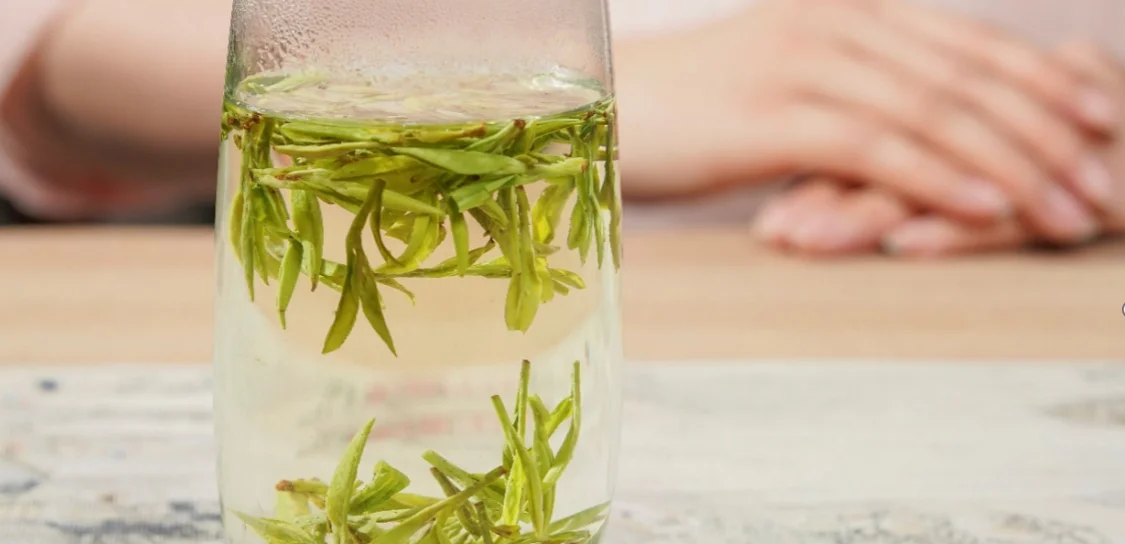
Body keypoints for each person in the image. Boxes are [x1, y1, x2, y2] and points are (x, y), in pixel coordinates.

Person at [1, 0, 1122, 257]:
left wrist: (1054, 134)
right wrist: (592, 94)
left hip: (963, 294)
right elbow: (48, 44)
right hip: (386, 281)